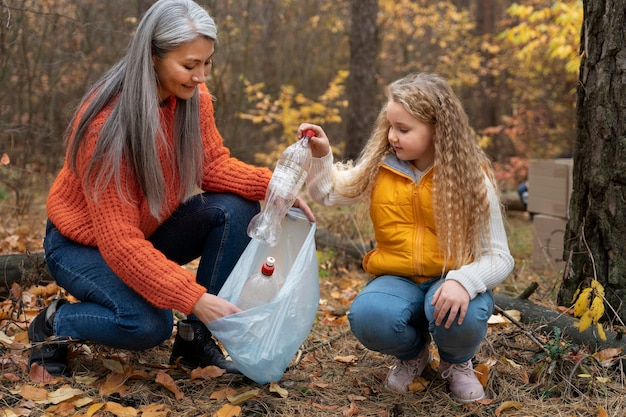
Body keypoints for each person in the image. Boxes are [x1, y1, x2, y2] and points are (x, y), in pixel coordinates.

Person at [28, 0, 314, 377]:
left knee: (236, 210)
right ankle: (54, 322)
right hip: (82, 245)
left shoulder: (194, 101)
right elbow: (118, 242)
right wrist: (195, 298)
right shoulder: (106, 126)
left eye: (207, 62)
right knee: (147, 324)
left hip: (143, 232)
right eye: (189, 65)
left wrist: (275, 187)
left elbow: (212, 166)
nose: (201, 76)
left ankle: (194, 343)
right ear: (152, 57)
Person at [299, 73, 514, 402]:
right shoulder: (379, 169)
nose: (392, 136)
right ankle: (414, 354)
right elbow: (327, 193)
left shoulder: (471, 178)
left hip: (451, 280)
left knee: (462, 314)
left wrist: (465, 281)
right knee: (369, 317)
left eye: (404, 129)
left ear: (437, 129)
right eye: (390, 126)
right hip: (397, 280)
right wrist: (321, 154)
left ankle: (457, 363)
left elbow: (500, 256)